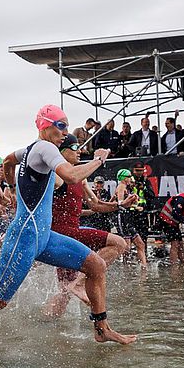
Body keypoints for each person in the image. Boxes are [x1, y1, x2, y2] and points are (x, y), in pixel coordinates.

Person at [0, 105, 135, 344]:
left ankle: (102, 329)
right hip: (25, 238)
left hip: (45, 237)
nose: (65, 132)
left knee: (96, 266)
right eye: (61, 125)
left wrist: (13, 188)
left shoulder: (31, 149)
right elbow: (72, 175)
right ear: (45, 125)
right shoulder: (45, 148)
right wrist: (99, 159)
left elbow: (9, 161)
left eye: (66, 125)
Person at [43, 133, 131, 318]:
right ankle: (81, 283)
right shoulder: (58, 175)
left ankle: (46, 323)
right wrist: (97, 160)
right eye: (75, 148)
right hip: (62, 233)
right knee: (119, 243)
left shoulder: (80, 179)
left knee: (65, 291)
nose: (80, 151)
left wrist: (120, 205)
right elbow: (68, 178)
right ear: (62, 152)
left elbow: (95, 204)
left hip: (69, 236)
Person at [114, 167, 149, 268]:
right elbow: (120, 204)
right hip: (122, 217)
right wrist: (135, 206)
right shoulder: (121, 186)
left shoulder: (126, 188)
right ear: (124, 178)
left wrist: (134, 205)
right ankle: (125, 267)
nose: (131, 178)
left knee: (140, 244)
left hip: (128, 218)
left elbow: (115, 201)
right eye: (129, 177)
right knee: (127, 247)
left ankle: (144, 268)